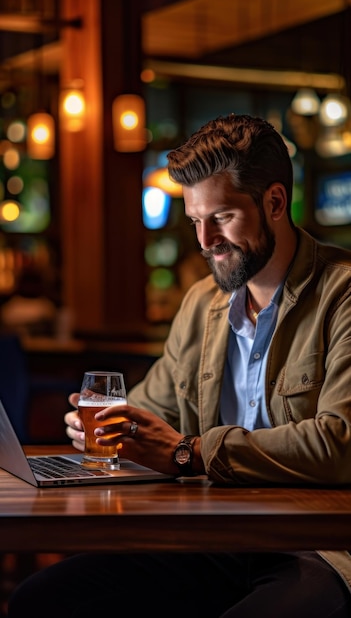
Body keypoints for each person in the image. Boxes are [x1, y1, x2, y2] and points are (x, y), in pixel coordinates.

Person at [8, 113, 351, 617]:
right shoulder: (201, 303)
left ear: (275, 202)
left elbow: (340, 443)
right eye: (195, 220)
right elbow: (149, 411)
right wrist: (103, 427)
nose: (205, 240)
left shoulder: (341, 293)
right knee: (39, 602)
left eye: (223, 217)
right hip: (210, 537)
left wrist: (192, 452)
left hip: (319, 548)